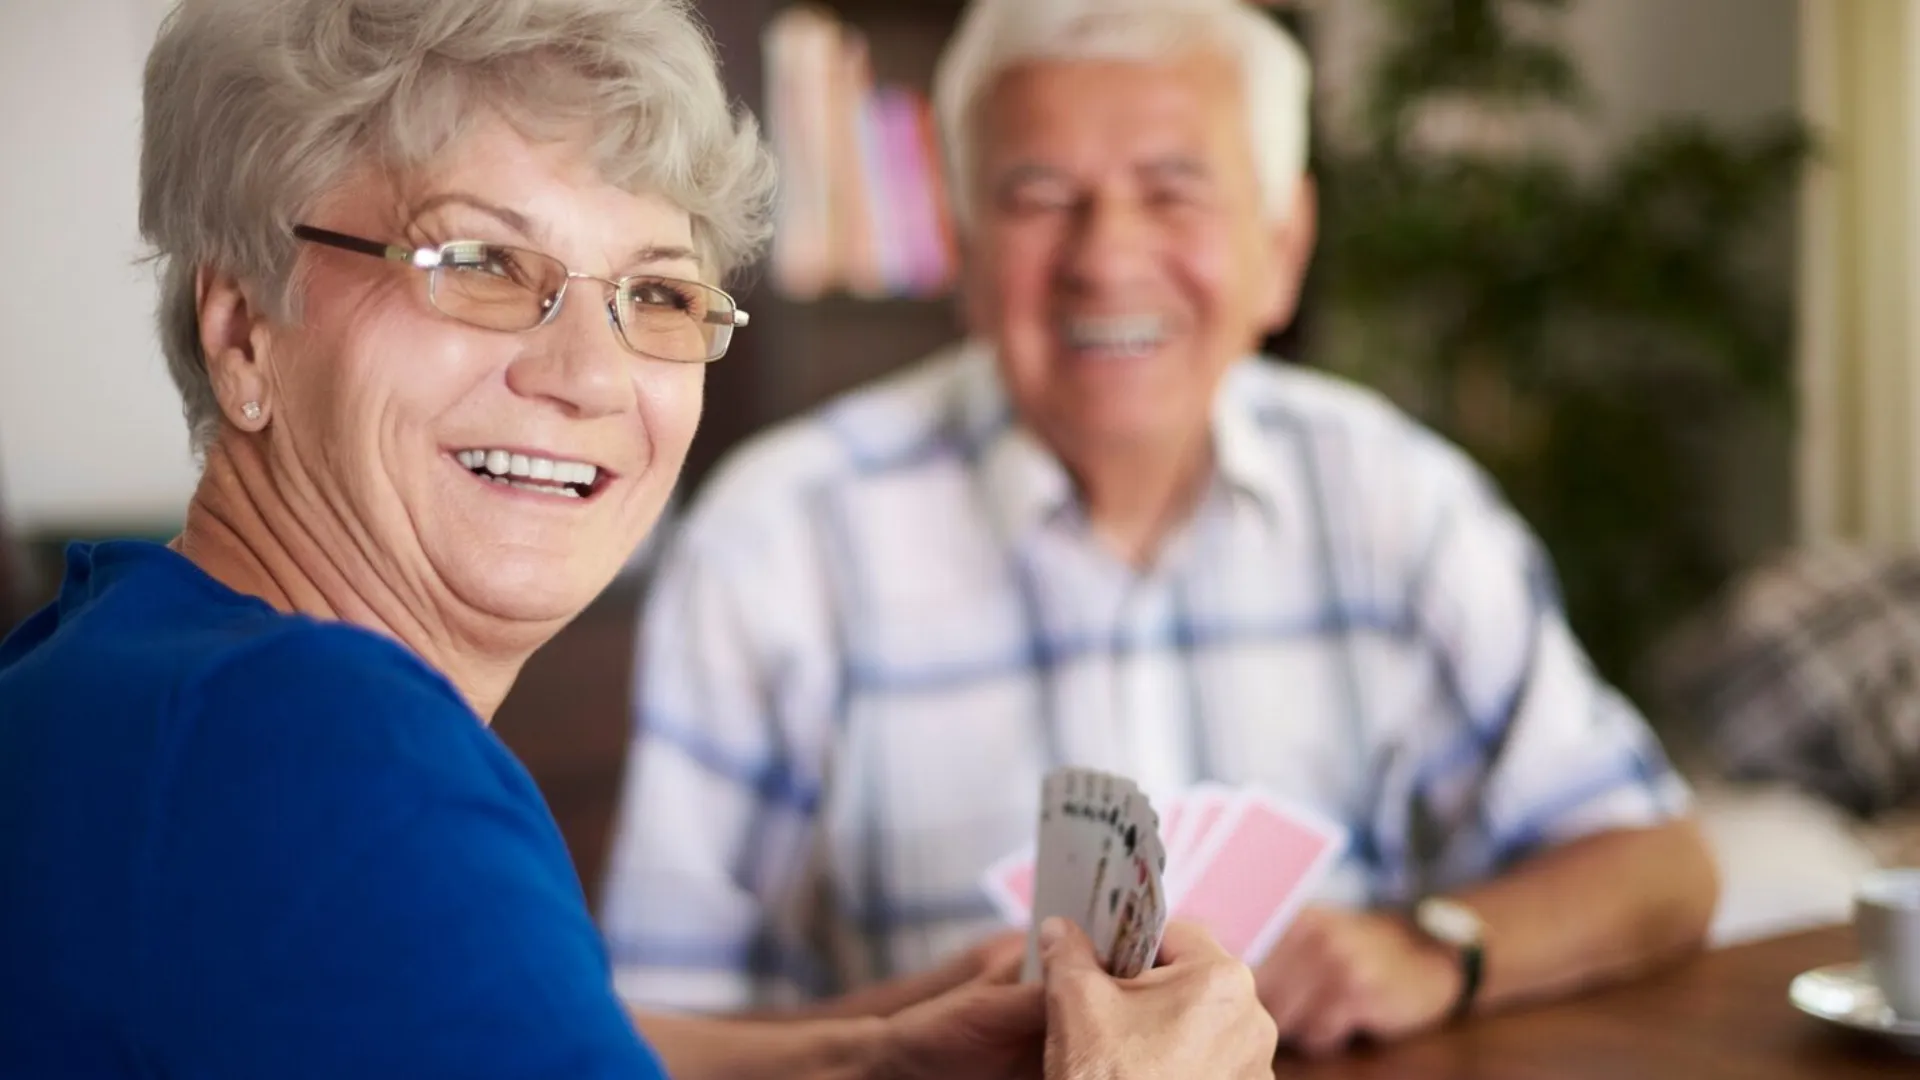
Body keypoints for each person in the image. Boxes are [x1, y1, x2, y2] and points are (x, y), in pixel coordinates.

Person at [0, 1, 1278, 1077]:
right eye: (483, 261)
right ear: (243, 334)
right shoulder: (328, 743)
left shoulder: (130, 659)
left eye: (659, 294)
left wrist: (863, 1054)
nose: (590, 377)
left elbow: (478, 1021)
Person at [599, 0, 1722, 1057]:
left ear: (1282, 248)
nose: (1108, 258)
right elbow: (642, 1031)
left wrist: (1436, 946)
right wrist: (912, 1034)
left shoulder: (1398, 497)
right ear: (968, 252)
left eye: (1174, 191)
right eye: (1042, 196)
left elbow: (1663, 864)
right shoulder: (774, 537)